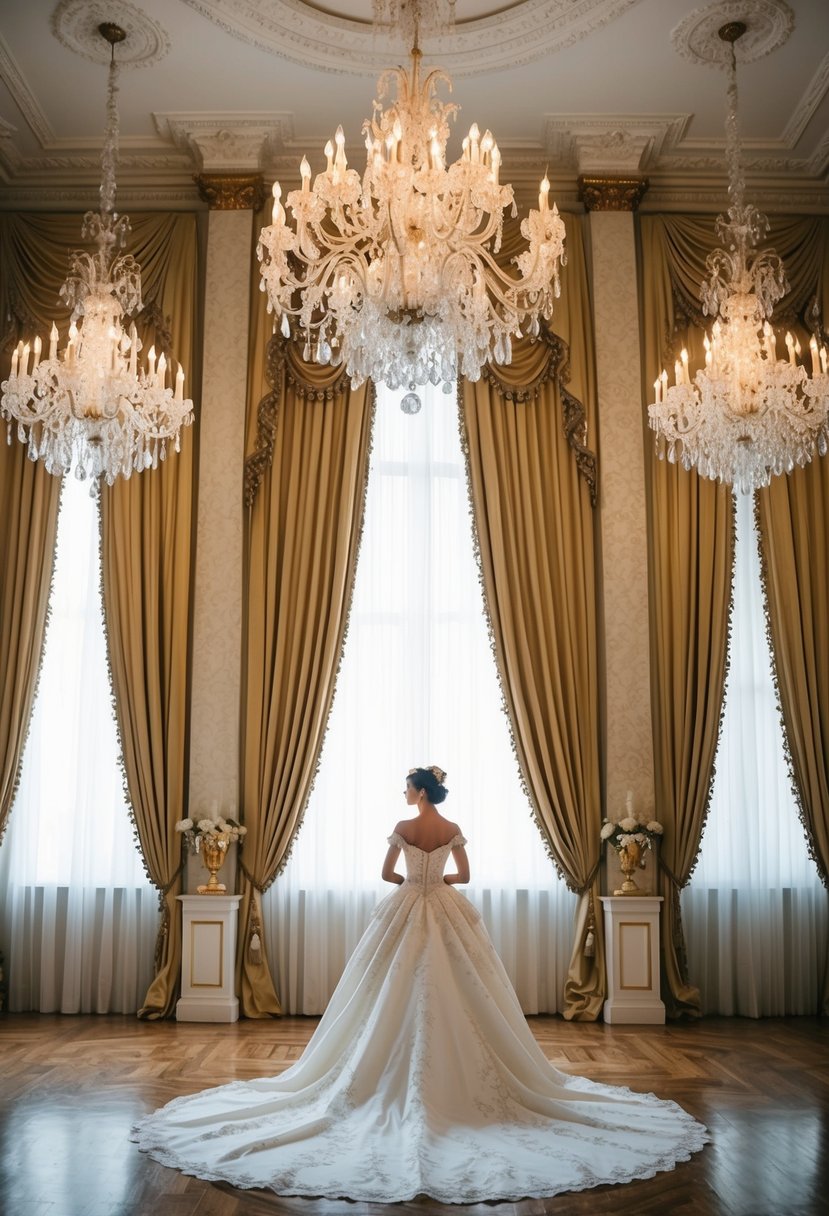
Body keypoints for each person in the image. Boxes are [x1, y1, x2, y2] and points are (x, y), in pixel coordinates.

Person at [132, 766, 708, 1202]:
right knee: (468, 989)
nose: (406, 796)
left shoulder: (405, 827)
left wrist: (412, 875)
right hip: (447, 907)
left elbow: (387, 874)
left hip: (407, 905)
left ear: (420, 791)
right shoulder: (451, 827)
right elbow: (465, 875)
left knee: (383, 989)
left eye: (409, 787)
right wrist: (438, 877)